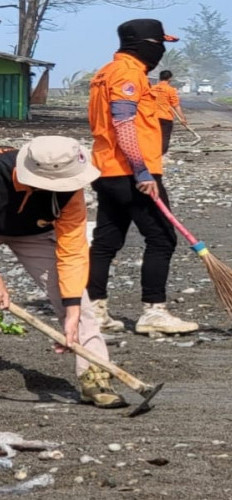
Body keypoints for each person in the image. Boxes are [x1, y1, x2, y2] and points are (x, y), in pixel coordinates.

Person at [87, 19, 198, 336]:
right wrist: (141, 171)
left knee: (106, 242)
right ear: (146, 44)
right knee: (162, 238)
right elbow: (123, 123)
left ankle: (95, 311)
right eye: (159, 44)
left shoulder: (105, 72)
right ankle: (154, 310)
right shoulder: (127, 74)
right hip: (131, 173)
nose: (162, 50)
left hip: (106, 170)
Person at [0, 136, 127, 408]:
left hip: (35, 232)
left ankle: (95, 375)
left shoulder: (71, 189)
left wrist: (71, 310)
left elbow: (72, 250)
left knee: (80, 306)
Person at [153, 70, 187, 155]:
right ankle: (160, 156)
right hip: (165, 117)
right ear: (170, 79)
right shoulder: (171, 90)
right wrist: (182, 118)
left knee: (153, 137)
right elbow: (176, 105)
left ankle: (152, 155)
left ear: (159, 77)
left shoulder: (152, 88)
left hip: (152, 117)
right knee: (164, 137)